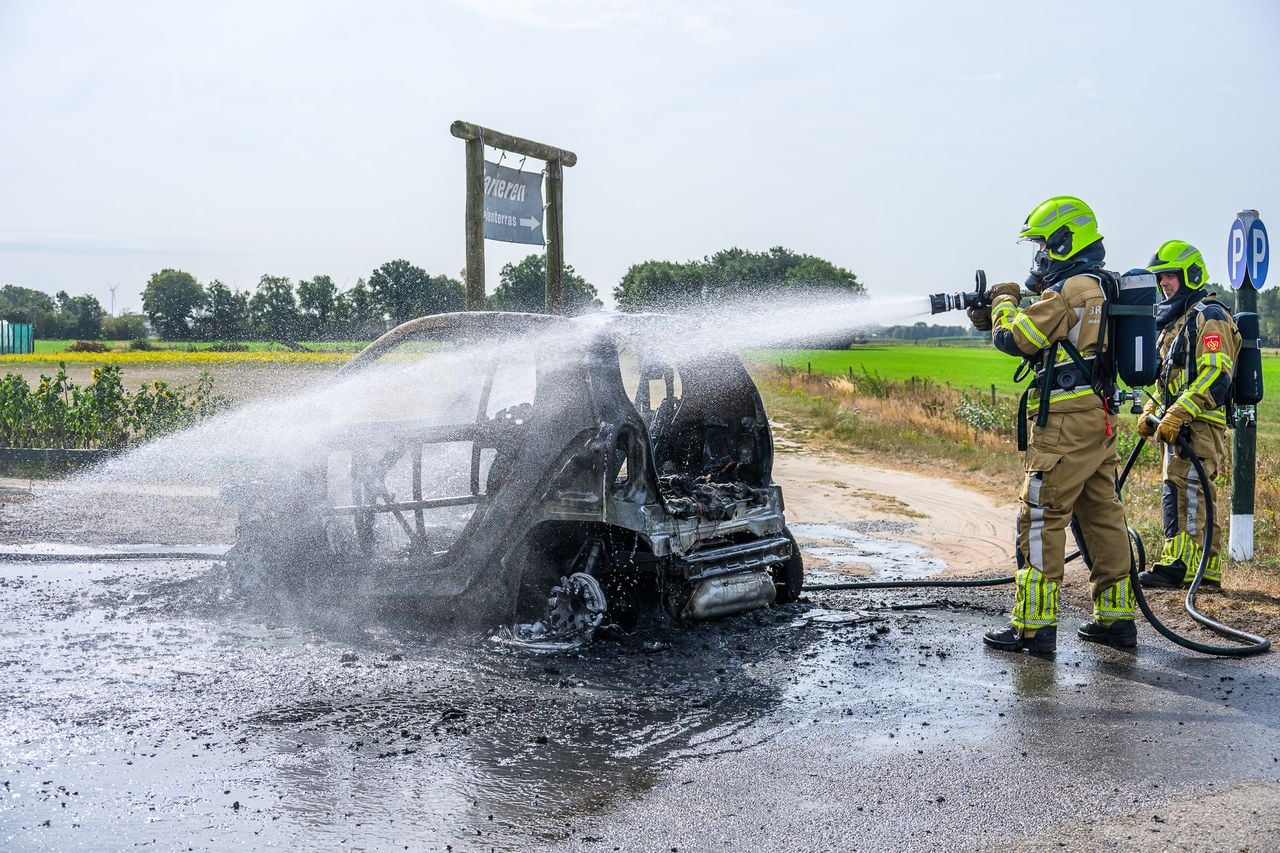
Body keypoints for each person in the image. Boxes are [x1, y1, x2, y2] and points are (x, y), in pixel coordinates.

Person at [969, 196, 1136, 653]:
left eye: (1043, 244)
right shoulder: (1103, 284)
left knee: (1041, 515)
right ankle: (1116, 620)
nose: (1039, 255)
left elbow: (1016, 337)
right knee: (1101, 515)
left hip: (1063, 423)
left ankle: (1033, 627)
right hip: (1098, 418)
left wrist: (1002, 302)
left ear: (1065, 240)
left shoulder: (1070, 290)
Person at [1136, 241, 1240, 590]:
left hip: (1199, 423)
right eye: (1161, 277)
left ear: (1191, 276)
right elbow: (1169, 376)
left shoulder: (1209, 316)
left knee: (1190, 490)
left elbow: (1216, 374)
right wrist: (1153, 409)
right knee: (1180, 490)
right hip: (1177, 422)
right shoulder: (1177, 322)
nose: (1164, 283)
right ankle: (1200, 571)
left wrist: (1180, 410)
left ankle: (1181, 566)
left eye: (1170, 276)